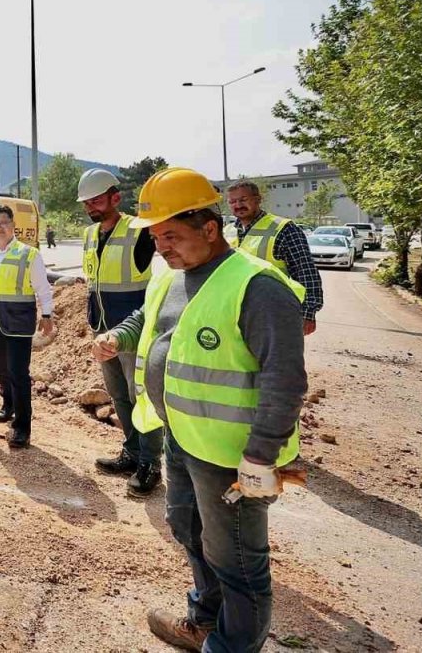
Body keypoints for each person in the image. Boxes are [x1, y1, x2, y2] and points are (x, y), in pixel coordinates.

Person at [92, 167, 306, 653]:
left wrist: (260, 456)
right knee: (187, 529)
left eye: (171, 235)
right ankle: (204, 621)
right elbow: (150, 320)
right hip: (181, 438)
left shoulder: (257, 286)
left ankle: (229, 646)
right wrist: (118, 337)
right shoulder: (173, 276)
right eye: (155, 236)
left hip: (233, 456)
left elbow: (285, 379)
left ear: (209, 229)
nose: (161, 246)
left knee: (237, 560)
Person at [77, 168, 162, 497]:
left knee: (141, 396)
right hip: (102, 327)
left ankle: (151, 462)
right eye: (86, 203)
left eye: (96, 200)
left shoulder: (139, 230)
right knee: (119, 395)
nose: (90, 208)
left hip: (133, 328)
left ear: (116, 197)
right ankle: (132, 451)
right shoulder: (88, 235)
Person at [0, 205, 55, 448]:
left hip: (18, 323)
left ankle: (22, 426)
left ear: (12, 225)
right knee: (0, 369)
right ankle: (9, 404)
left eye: (3, 223)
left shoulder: (28, 254)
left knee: (18, 373)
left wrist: (47, 314)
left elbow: (43, 288)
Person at [226, 180, 323, 336]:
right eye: (232, 201)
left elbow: (305, 271)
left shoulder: (283, 229)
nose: (238, 205)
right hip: (232, 314)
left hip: (272, 312)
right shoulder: (227, 231)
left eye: (243, 200)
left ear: (258, 199)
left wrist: (308, 313)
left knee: (275, 360)